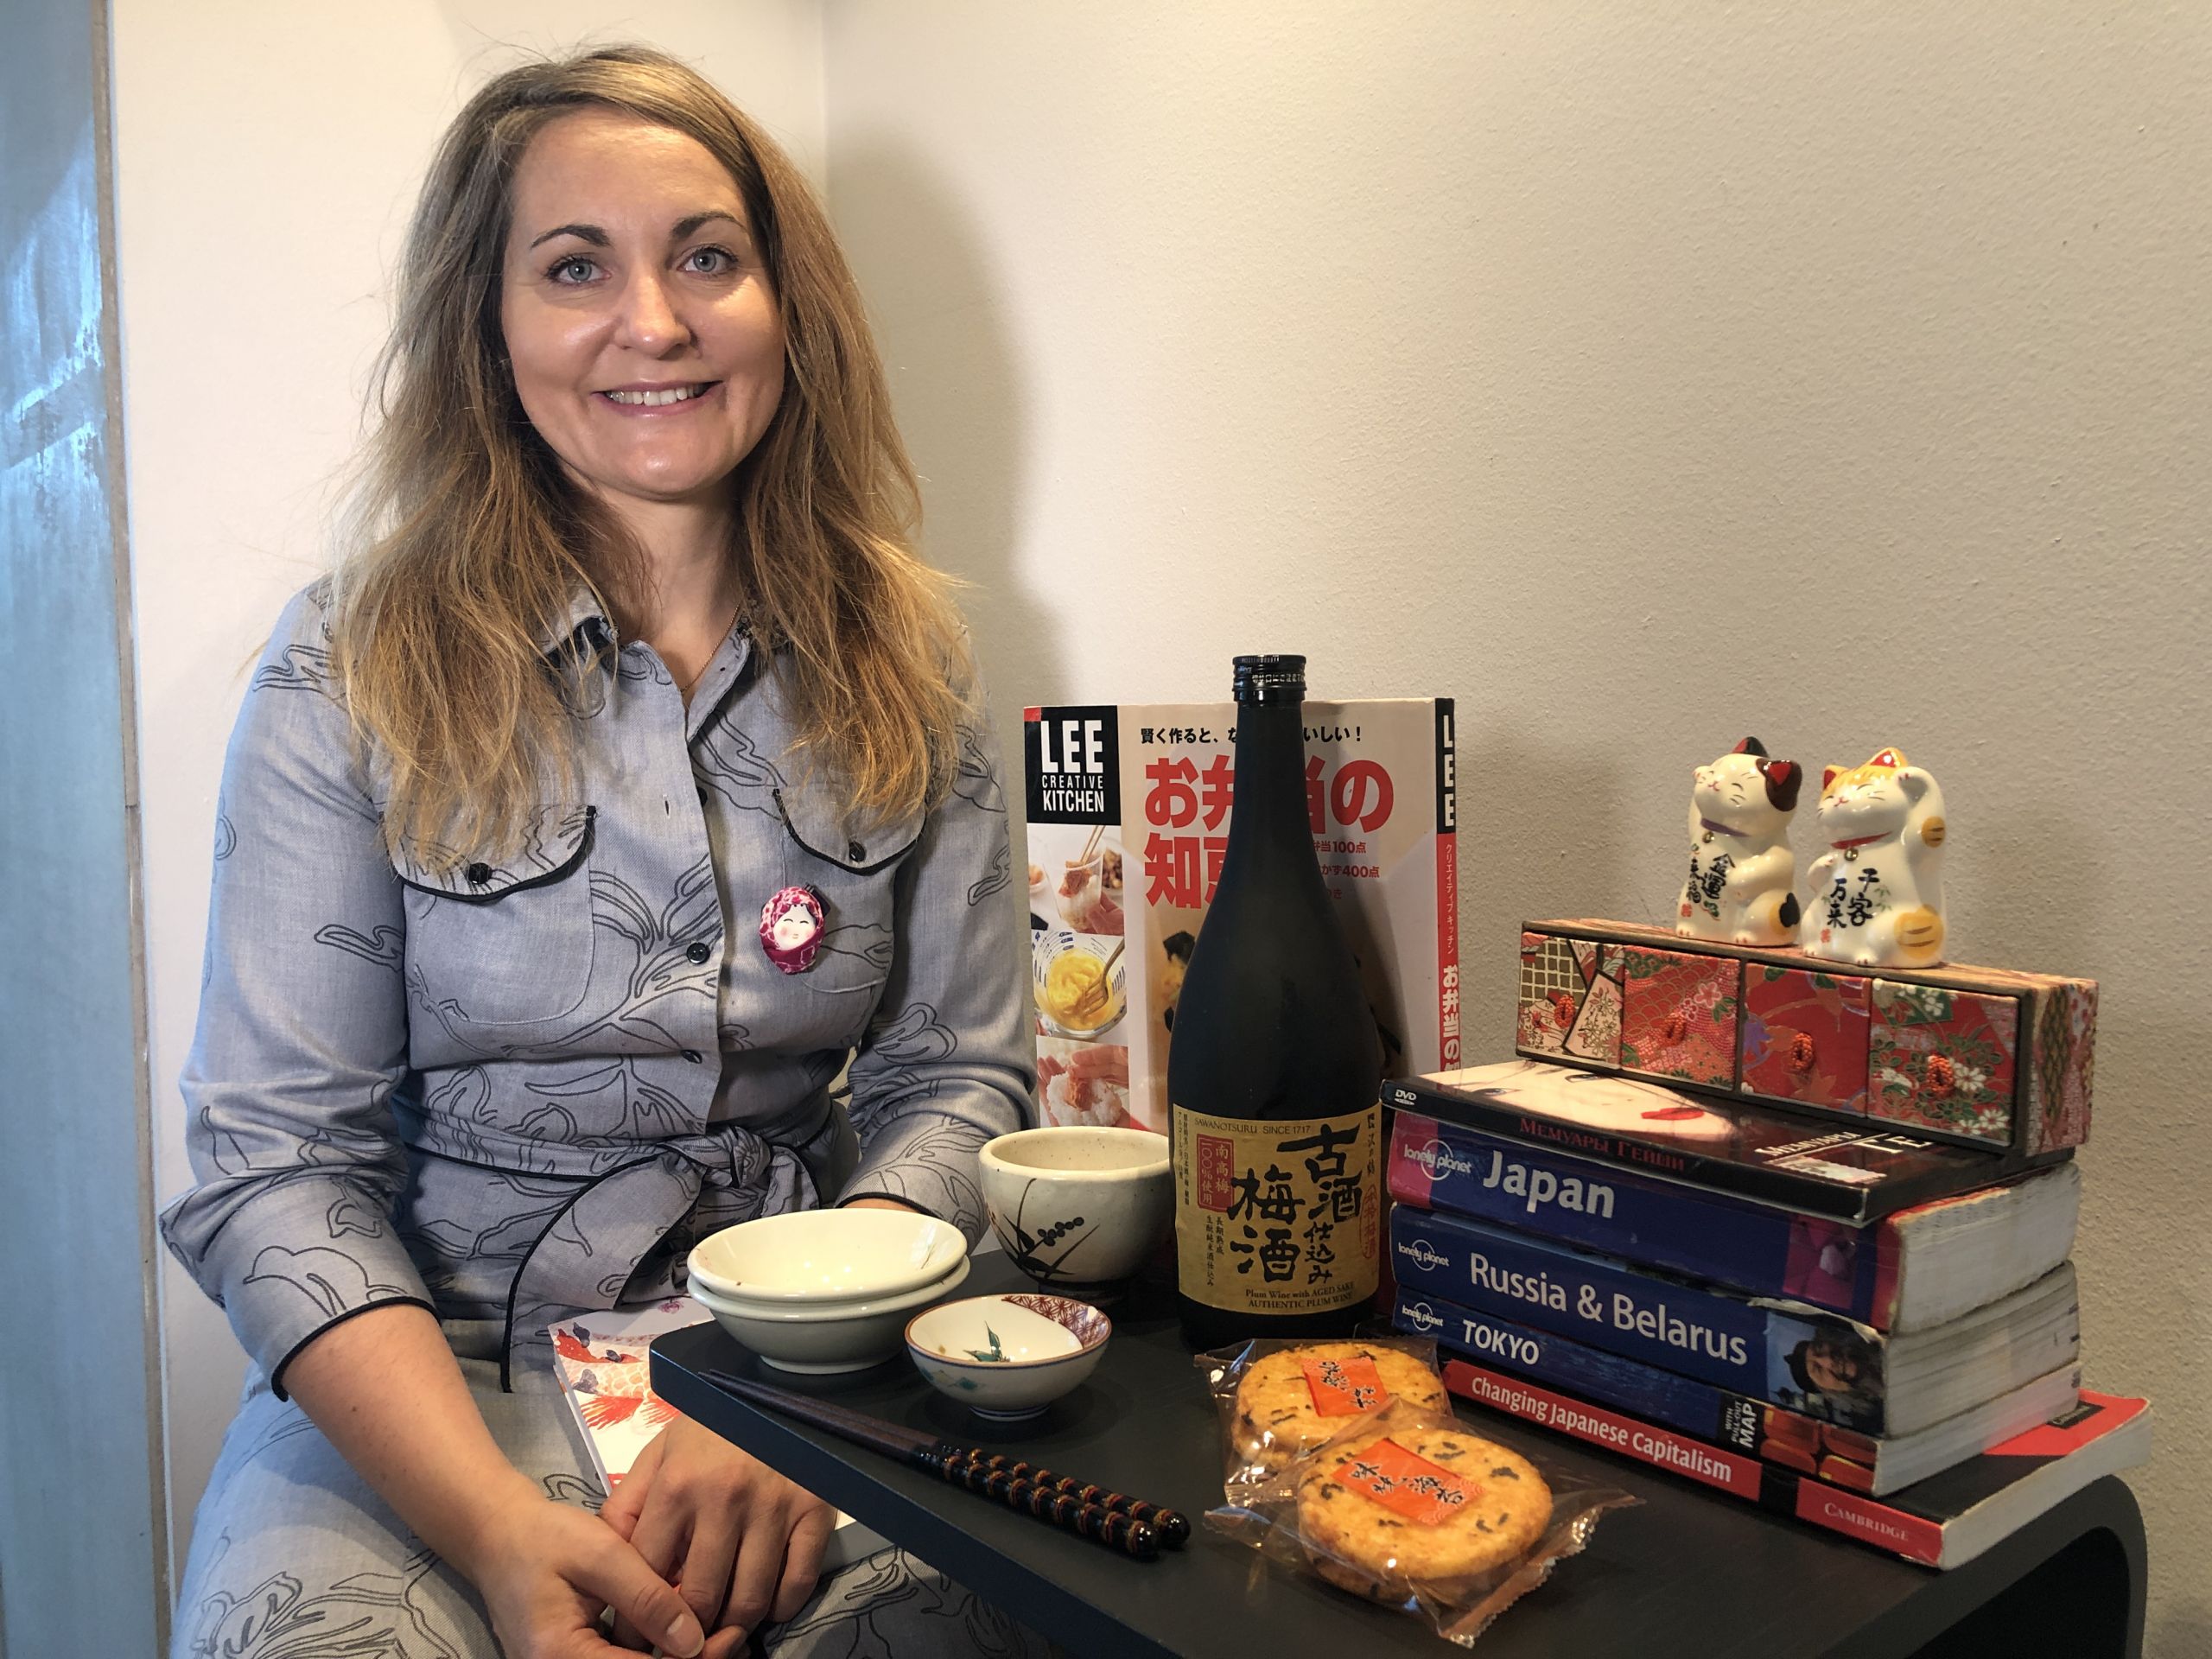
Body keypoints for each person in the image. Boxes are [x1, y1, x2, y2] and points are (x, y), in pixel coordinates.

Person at [159, 46, 1042, 1659]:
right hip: (441, 1397)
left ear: (788, 304)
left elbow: (958, 1088)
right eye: (576, 268)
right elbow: (279, 1171)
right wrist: (499, 1538)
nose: (656, 322)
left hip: (816, 1373)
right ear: (488, 330)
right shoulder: (348, 666)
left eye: (708, 255)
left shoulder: (911, 657)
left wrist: (786, 1382)